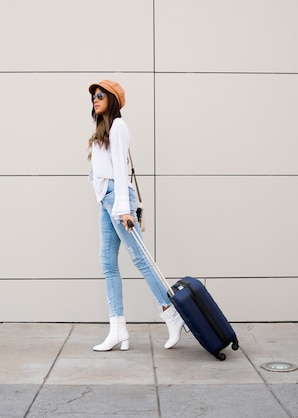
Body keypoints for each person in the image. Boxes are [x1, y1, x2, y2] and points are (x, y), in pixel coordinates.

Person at [87, 80, 185, 351]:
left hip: (118, 200)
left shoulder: (118, 126)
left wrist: (125, 210)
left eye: (100, 95)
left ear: (113, 99)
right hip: (106, 199)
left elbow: (120, 168)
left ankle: (171, 312)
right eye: (93, 97)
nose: (95, 100)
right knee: (107, 263)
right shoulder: (102, 130)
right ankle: (118, 329)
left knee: (140, 258)